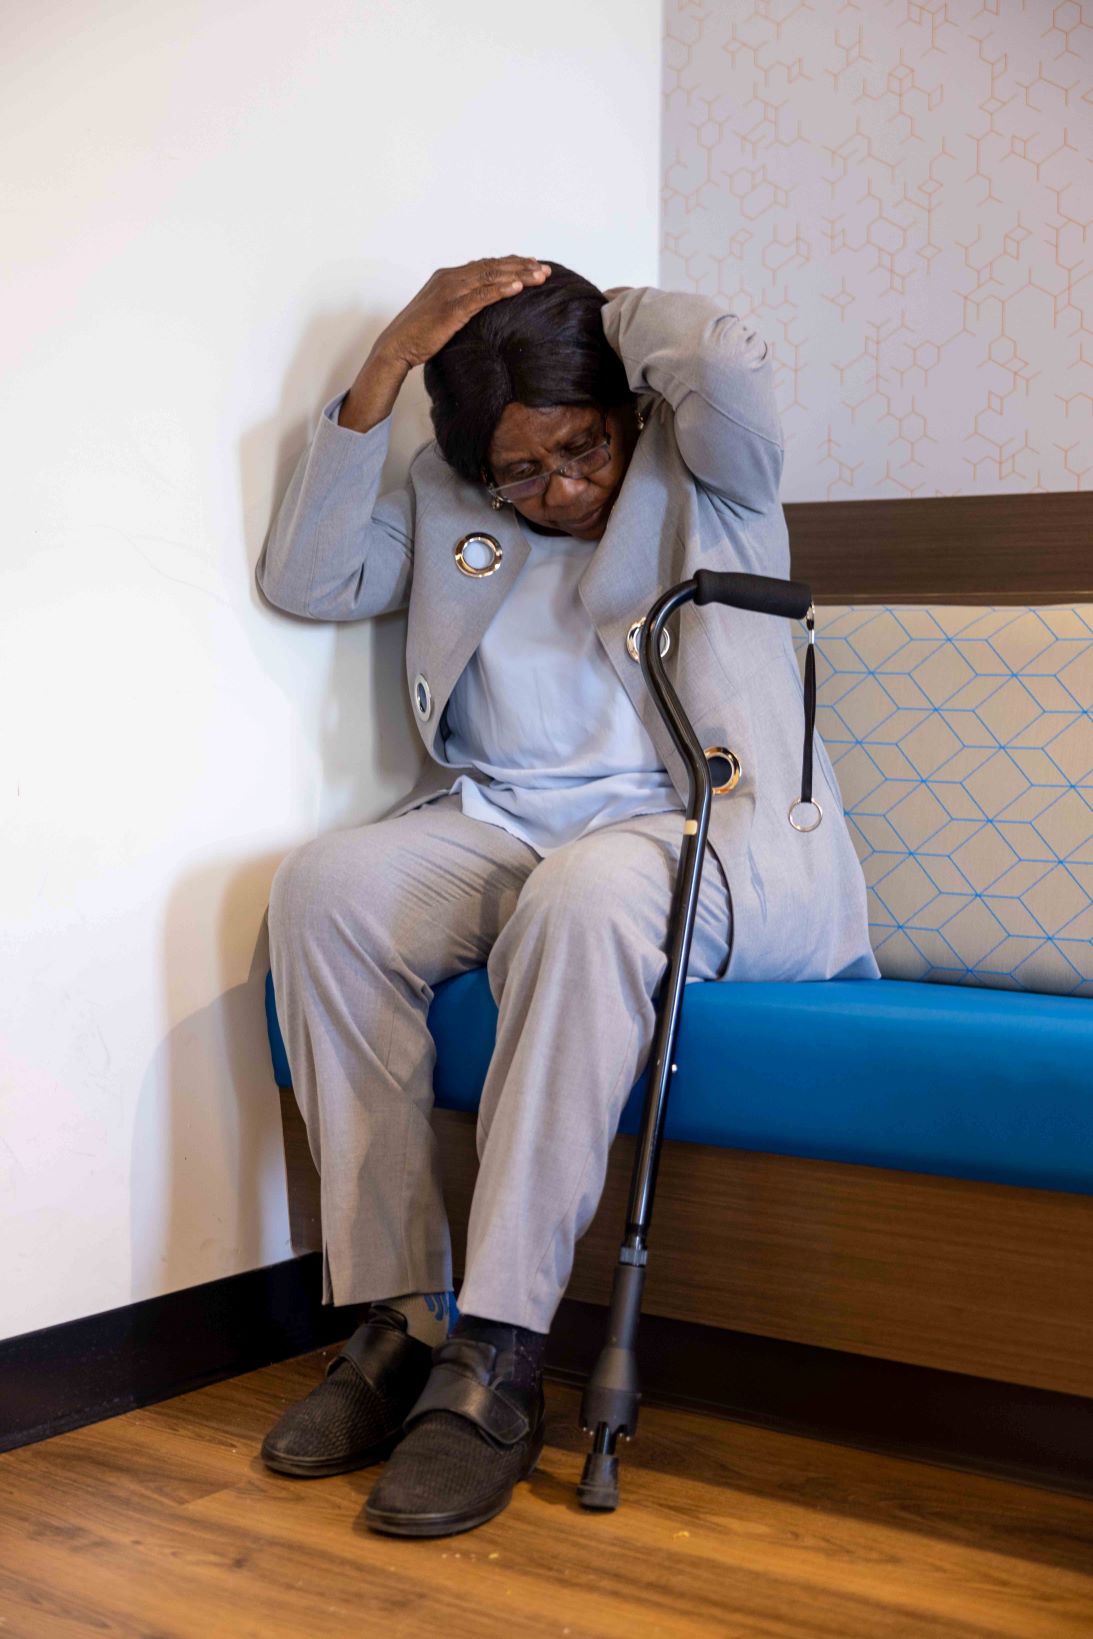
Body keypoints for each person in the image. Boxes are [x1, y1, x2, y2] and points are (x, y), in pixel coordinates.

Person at [255, 256, 879, 1538]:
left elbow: (724, 358)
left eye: (578, 451)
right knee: (324, 887)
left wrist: (592, 310)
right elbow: (309, 580)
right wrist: (387, 362)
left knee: (586, 895)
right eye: (520, 474)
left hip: (708, 838)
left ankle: (498, 1352)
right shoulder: (452, 494)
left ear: (617, 414)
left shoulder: (705, 468)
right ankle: (400, 1318)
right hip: (506, 835)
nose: (559, 492)